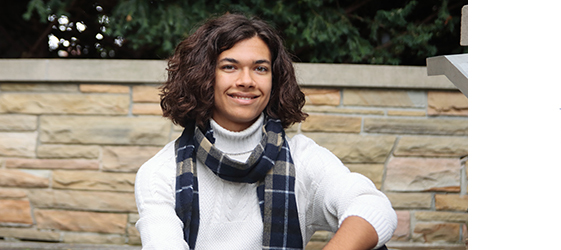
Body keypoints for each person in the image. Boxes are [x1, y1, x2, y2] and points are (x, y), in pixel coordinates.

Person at [134, 13, 396, 250]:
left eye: (260, 68)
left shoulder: (303, 158)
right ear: (202, 76)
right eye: (229, 67)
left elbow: (373, 207)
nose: (246, 81)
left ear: (275, 79)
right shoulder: (161, 172)